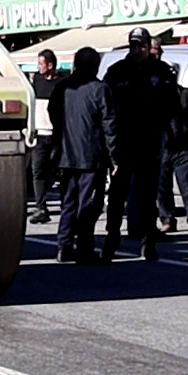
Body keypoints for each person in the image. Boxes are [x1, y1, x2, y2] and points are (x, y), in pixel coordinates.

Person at [102, 27, 177, 261]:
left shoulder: (162, 71)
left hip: (150, 142)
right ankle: (111, 239)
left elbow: (172, 105)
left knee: (147, 197)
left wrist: (169, 134)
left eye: (141, 46)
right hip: (123, 143)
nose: (137, 50)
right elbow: (106, 108)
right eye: (133, 46)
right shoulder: (116, 72)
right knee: (117, 197)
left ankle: (148, 242)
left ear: (148, 47)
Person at [47, 47, 115, 265]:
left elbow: (52, 113)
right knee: (87, 203)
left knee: (69, 202)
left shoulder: (62, 87)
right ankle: (84, 248)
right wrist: (115, 156)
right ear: (95, 65)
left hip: (66, 152)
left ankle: (64, 246)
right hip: (91, 154)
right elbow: (109, 125)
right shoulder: (99, 89)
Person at [157, 43, 188, 237]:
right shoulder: (157, 97)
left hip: (184, 147)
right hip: (163, 148)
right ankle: (167, 219)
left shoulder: (186, 94)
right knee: (163, 188)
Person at [25, 49, 62, 226]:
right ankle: (41, 207)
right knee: (37, 170)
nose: (39, 67)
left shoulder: (61, 84)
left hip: (56, 136)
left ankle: (67, 204)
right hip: (40, 134)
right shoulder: (36, 81)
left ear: (51, 65)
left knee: (56, 171)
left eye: (41, 63)